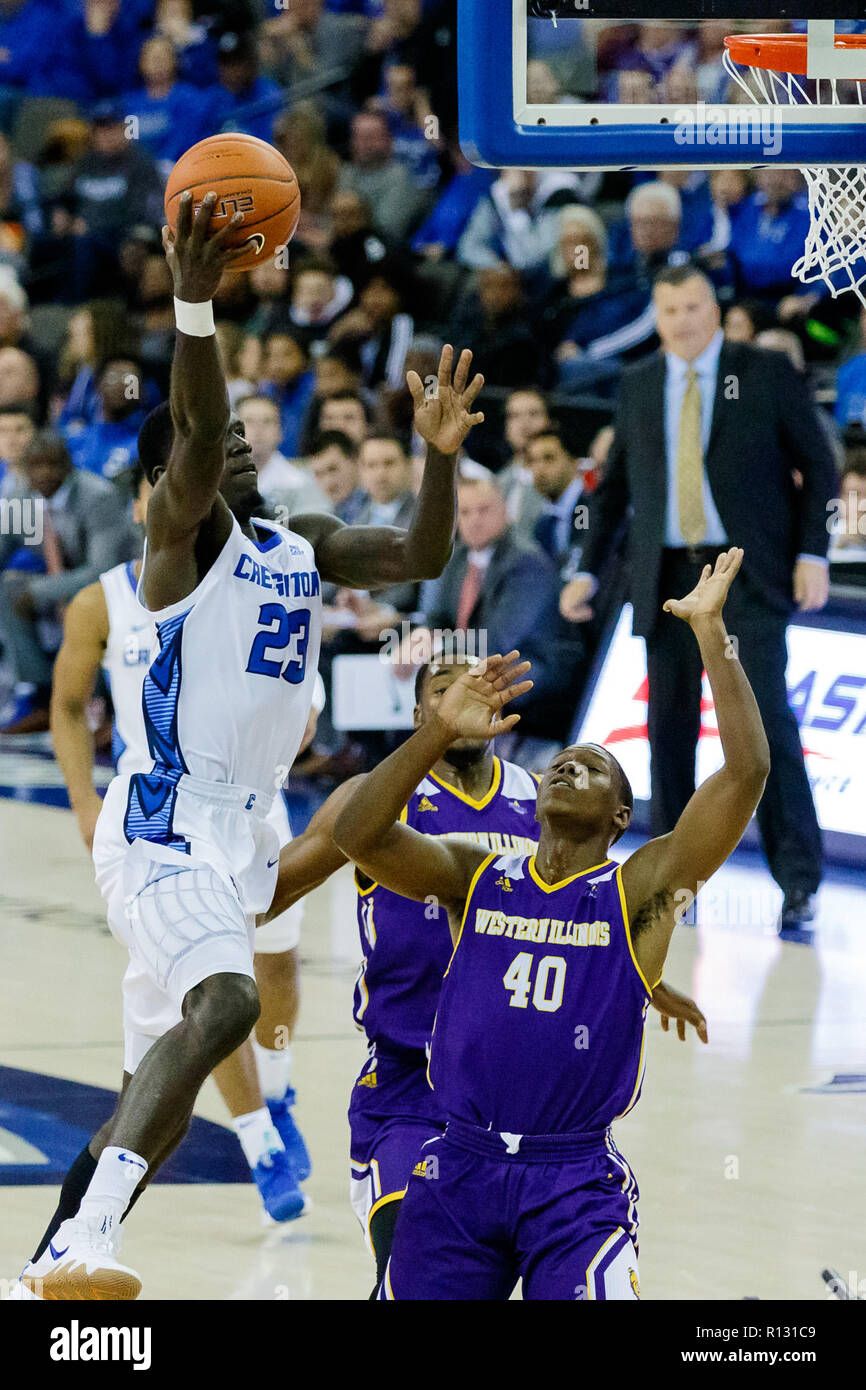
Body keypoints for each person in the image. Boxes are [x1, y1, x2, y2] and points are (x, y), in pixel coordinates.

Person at [16, 191, 484, 1301]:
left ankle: (46, 1260)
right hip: (163, 824)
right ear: (179, 463)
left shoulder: (300, 541)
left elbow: (419, 555)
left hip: (242, 834)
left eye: (241, 433)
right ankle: (89, 1241)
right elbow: (192, 428)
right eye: (210, 432)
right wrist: (192, 302)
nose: (231, 440)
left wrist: (437, 459)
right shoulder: (174, 548)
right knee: (225, 1007)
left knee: (155, 1089)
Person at [332, 551, 770, 1300]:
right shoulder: (480, 876)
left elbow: (745, 774)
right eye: (562, 763)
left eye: (593, 767)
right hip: (458, 1162)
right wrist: (437, 731)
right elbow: (360, 835)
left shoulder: (639, 891)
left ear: (620, 817)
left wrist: (711, 636)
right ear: (533, 799)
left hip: (571, 1183)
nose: (569, 768)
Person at [261, 652, 706, 1295]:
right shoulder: (381, 800)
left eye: (474, 686)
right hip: (411, 1084)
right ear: (421, 715)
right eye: (443, 692)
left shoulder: (540, 797)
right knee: (405, 1263)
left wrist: (638, 976)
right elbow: (273, 894)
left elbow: (570, 906)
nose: (461, 699)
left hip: (520, 1102)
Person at [49, 464, 321, 1223]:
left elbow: (297, 696)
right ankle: (259, 1137)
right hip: (162, 825)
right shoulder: (100, 599)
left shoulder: (263, 574)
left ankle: (280, 1082)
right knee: (216, 988)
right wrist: (82, 800)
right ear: (146, 496)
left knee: (276, 978)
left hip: (253, 807)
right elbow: (68, 707)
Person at [560, 265, 836, 930]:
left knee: (765, 730)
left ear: (713, 310)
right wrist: (585, 569)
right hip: (666, 578)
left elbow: (822, 464)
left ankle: (798, 882)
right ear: (657, 318)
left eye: (692, 307)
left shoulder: (764, 372)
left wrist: (812, 553)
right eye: (669, 310)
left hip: (745, 575)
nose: (682, 321)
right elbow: (613, 489)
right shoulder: (638, 383)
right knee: (669, 733)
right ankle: (675, 880)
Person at [0, 431, 133, 734]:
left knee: (84, 602)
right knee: (7, 589)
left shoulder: (97, 496)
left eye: (53, 465)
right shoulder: (20, 500)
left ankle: (103, 709)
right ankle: (39, 696)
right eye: (36, 466)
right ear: (24, 468)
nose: (45, 473)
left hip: (117, 583)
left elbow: (102, 569)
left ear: (69, 465)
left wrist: (39, 591)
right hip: (65, 581)